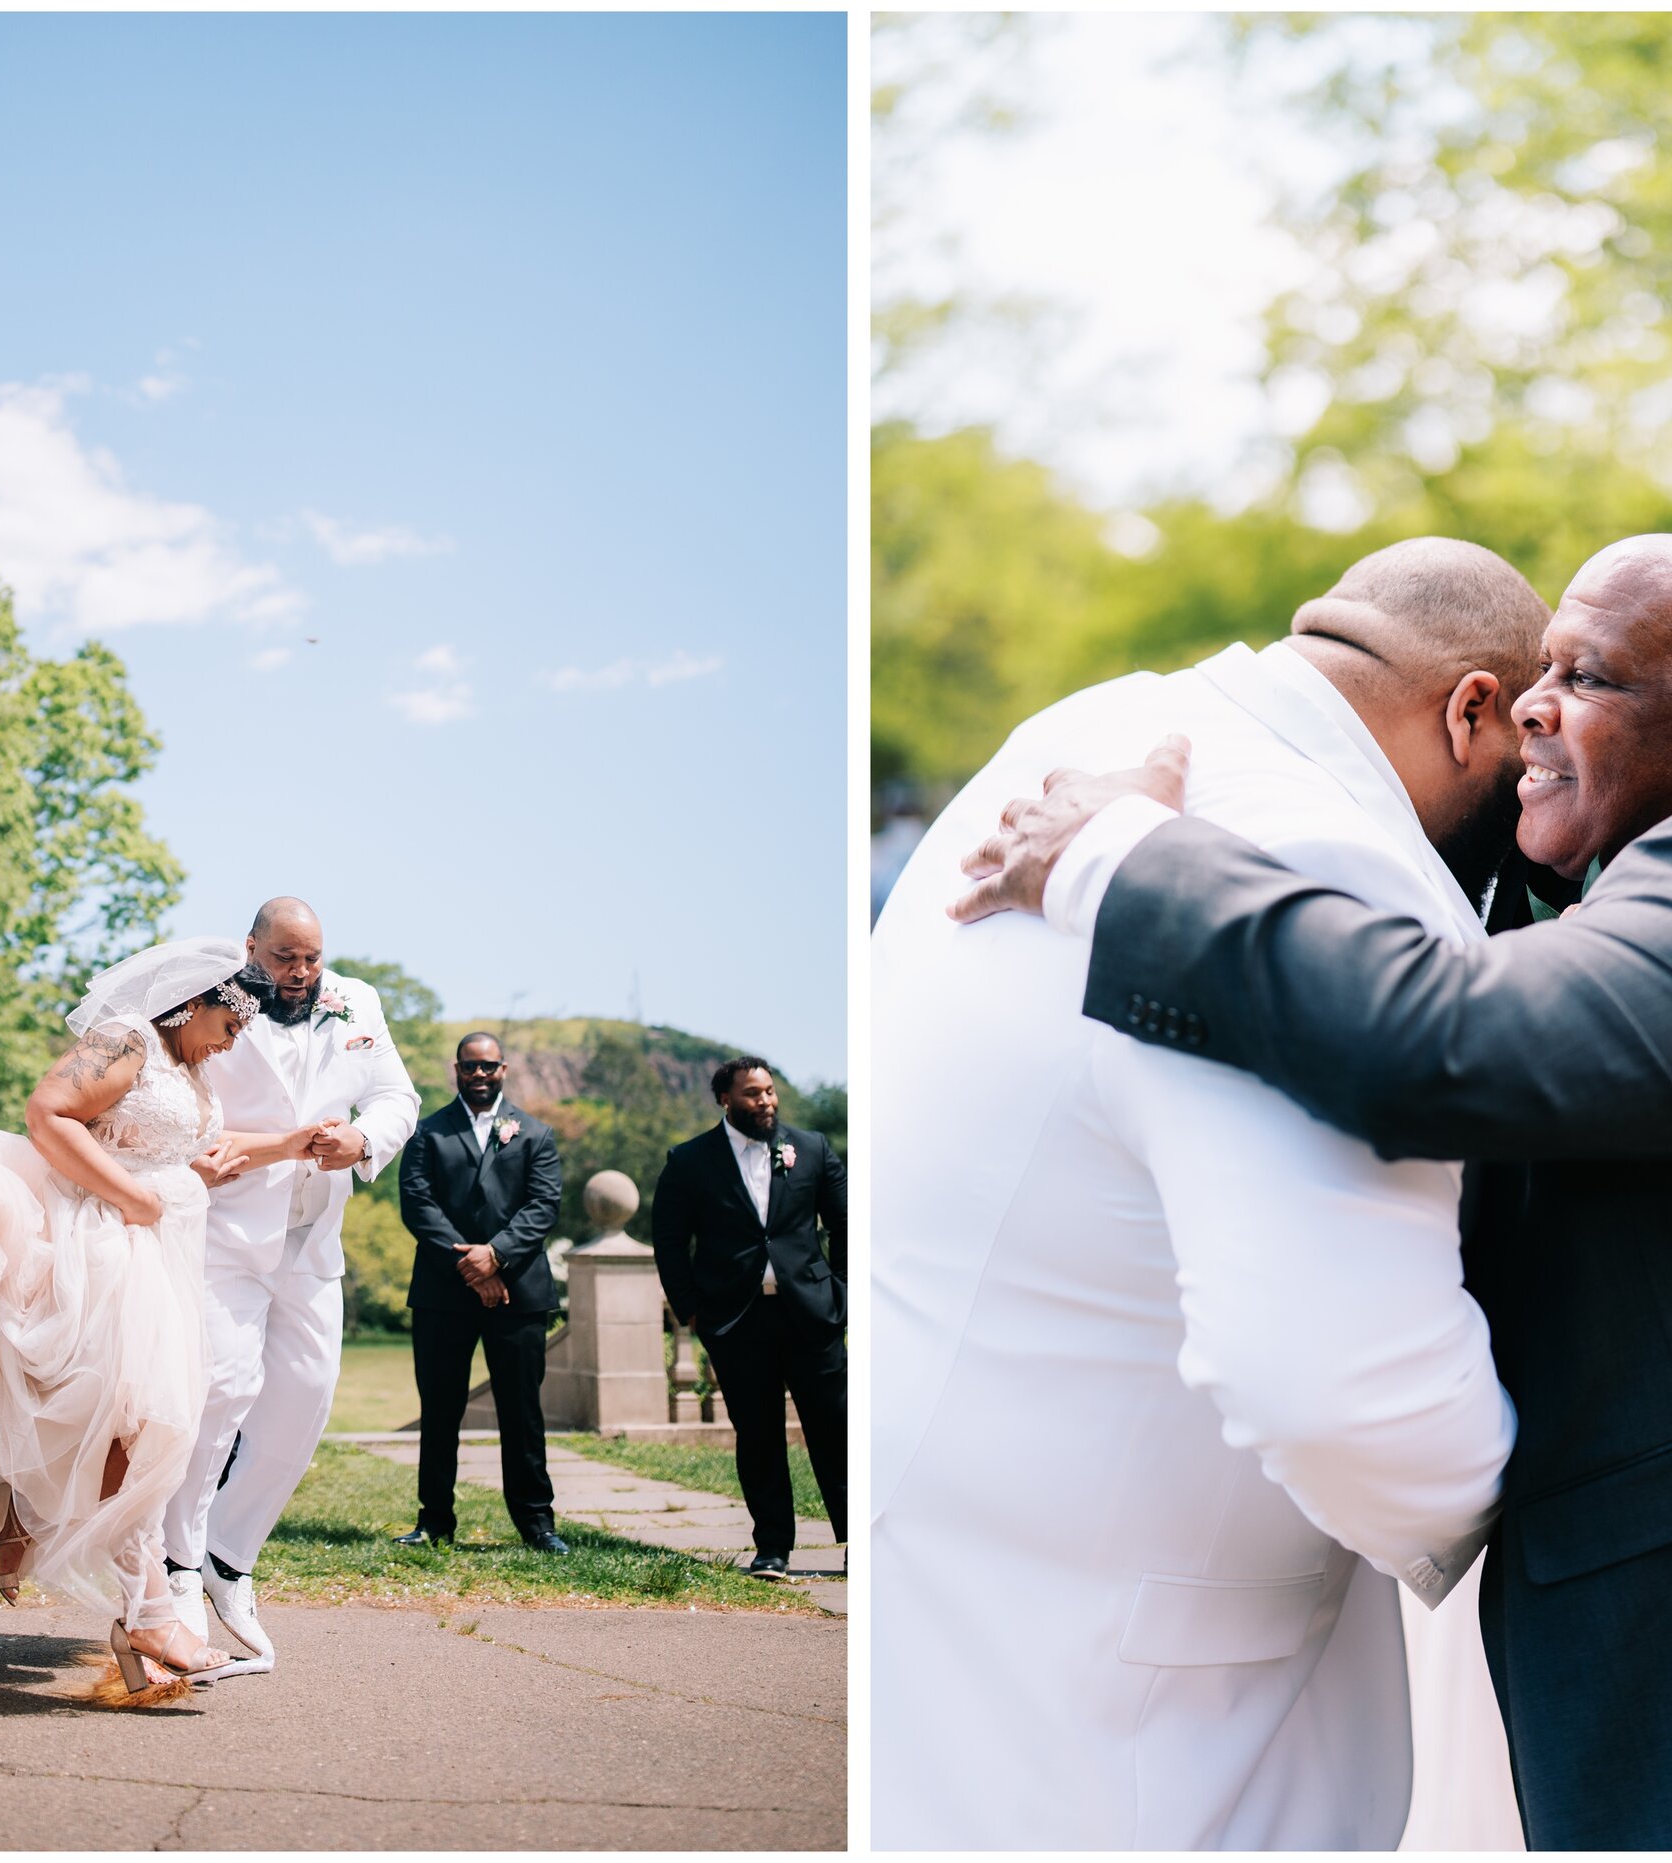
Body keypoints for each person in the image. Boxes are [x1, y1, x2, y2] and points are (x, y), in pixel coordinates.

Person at [955, 533, 1672, 1849]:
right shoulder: (1671, 880)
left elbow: (1445, 1040)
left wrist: (1122, 854)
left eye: (1588, 676)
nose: (1531, 705)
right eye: (1535, 669)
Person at [874, 539, 1537, 1848]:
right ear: (1471, 711)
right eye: (1528, 771)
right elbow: (1346, 1390)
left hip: (986, 1576)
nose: (1534, 828)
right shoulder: (1324, 853)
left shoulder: (1098, 727)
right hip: (1143, 1725)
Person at [0, 938, 329, 1691]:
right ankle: (142, 1607)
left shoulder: (191, 1069)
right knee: (128, 1420)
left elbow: (202, 1145)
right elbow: (49, 1113)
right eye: (233, 1024)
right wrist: (133, 1195)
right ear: (202, 998)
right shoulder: (127, 1038)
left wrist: (292, 1144)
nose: (237, 1041)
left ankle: (54, 1546)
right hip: (99, 1244)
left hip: (159, 1257)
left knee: (137, 1425)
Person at [160, 898, 421, 1674]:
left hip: (314, 1239)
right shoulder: (213, 1002)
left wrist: (364, 1138)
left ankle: (229, 1556)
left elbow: (396, 1096)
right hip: (227, 1228)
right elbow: (181, 1107)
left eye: (310, 959)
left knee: (305, 1398)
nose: (301, 974)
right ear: (252, 947)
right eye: (284, 958)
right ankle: (177, 1565)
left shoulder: (359, 1001)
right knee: (218, 1391)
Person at [651, 1059, 847, 1580]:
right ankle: (774, 1548)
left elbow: (846, 1224)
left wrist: (841, 1295)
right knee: (757, 1434)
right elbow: (670, 1240)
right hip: (736, 1319)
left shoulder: (813, 1149)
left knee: (835, 1428)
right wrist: (690, 1306)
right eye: (752, 1094)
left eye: (769, 1091)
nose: (765, 1101)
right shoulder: (690, 1160)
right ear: (726, 1100)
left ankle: (857, 1541)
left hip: (811, 1314)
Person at [392, 1032, 569, 1552]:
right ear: (456, 1070)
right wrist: (471, 1263)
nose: (479, 1075)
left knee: (522, 1411)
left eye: (488, 1066)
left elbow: (543, 1206)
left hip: (519, 1294)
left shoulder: (536, 1134)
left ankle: (538, 1524)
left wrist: (496, 1256)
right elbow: (417, 1203)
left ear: (503, 1069)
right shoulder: (428, 1134)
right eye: (469, 1067)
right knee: (441, 1410)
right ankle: (434, 1522)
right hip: (443, 1294)